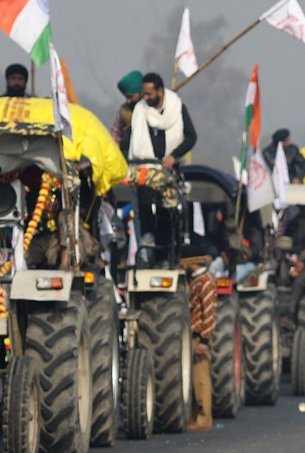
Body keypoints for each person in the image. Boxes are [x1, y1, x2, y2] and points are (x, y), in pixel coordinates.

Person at [121, 72, 197, 263]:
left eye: (148, 94)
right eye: (143, 94)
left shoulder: (177, 107)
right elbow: (128, 143)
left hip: (169, 171)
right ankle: (146, 249)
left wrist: (173, 156)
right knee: (145, 206)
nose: (145, 98)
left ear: (160, 92)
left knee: (167, 213)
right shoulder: (139, 111)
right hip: (144, 169)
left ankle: (165, 255)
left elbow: (191, 137)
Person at [183, 250, 217, 432]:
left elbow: (209, 312)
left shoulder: (205, 281)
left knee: (201, 378)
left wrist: (205, 339)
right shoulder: (196, 280)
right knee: (194, 379)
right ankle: (195, 417)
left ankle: (204, 419)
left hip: (199, 335)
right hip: (193, 334)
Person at [111, 70, 143, 144]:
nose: (128, 101)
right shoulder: (124, 110)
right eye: (126, 97)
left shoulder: (151, 107)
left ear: (140, 93)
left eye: (131, 97)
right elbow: (116, 133)